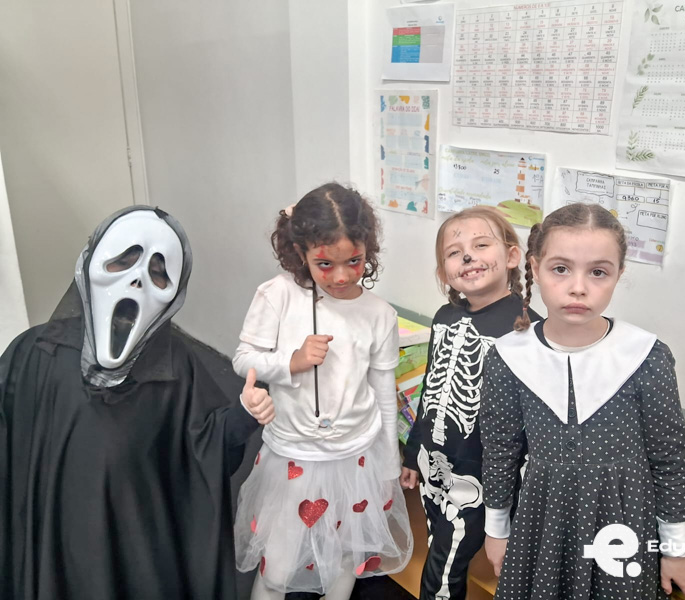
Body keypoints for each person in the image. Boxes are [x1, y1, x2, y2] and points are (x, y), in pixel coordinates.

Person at [0, 205, 273, 600]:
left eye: (158, 274)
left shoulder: (176, 367)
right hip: (56, 537)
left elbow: (204, 449)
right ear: (89, 263)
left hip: (137, 546)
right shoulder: (35, 354)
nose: (136, 280)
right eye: (122, 261)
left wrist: (244, 415)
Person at [479, 203, 685, 599]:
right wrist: (497, 530)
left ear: (618, 275)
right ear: (534, 268)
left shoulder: (646, 356)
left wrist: (676, 548)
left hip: (623, 521)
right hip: (543, 520)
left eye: (598, 272)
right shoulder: (508, 356)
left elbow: (668, 458)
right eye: (560, 268)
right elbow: (501, 452)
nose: (578, 287)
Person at [232, 183, 412, 600]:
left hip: (357, 458)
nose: (342, 275)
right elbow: (244, 359)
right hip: (295, 455)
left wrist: (388, 464)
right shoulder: (278, 295)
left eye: (354, 261)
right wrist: (291, 361)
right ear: (301, 253)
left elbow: (383, 391)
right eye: (325, 264)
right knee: (277, 565)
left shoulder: (380, 314)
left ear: (368, 250)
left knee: (344, 559)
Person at [399, 206, 540, 600]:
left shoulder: (527, 329)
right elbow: (431, 390)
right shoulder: (444, 317)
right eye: (454, 252)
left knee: (445, 565)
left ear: (512, 256)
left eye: (481, 245)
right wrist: (412, 455)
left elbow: (533, 423)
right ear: (444, 272)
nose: (467, 256)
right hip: (434, 463)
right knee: (440, 545)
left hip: (481, 477)